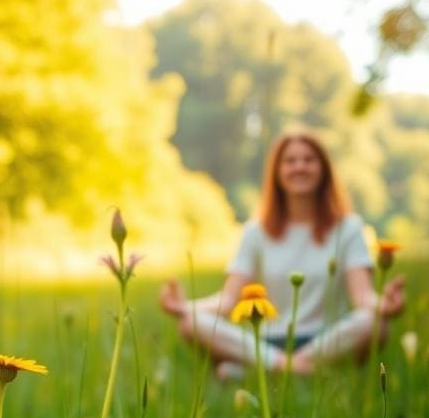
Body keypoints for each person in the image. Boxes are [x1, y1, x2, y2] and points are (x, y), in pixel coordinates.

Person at [159, 130, 406, 376]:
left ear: (324, 169)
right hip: (266, 342)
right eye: (290, 161)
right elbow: (229, 300)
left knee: (375, 324)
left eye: (309, 160)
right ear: (277, 171)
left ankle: (264, 369)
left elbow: (362, 297)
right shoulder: (255, 231)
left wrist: (384, 304)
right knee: (190, 324)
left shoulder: (348, 228)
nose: (300, 167)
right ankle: (294, 367)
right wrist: (185, 307)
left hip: (326, 341)